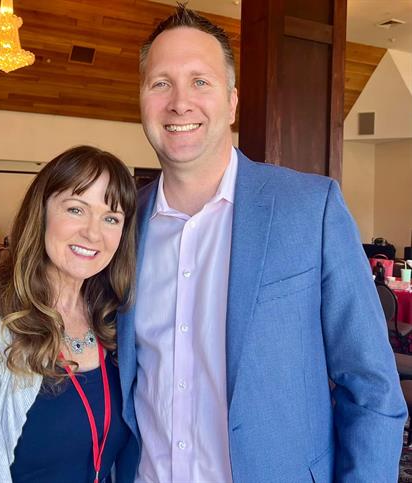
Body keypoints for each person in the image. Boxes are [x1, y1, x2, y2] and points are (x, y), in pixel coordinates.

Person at [116, 6, 407, 483]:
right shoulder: (120, 225)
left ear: (232, 102)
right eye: (161, 83)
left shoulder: (310, 209)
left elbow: (371, 386)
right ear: (142, 100)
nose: (180, 103)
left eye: (200, 82)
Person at [0, 146, 138, 483]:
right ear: (41, 214)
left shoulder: (114, 323)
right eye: (76, 209)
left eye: (111, 218)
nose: (93, 233)